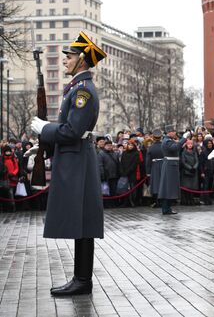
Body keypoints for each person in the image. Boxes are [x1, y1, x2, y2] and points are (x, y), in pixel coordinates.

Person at [30, 31, 105, 296]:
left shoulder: (82, 91)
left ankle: (82, 280)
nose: (65, 61)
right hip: (74, 159)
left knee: (83, 221)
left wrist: (45, 129)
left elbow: (72, 130)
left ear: (82, 60)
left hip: (78, 161)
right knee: (81, 221)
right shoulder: (76, 88)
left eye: (70, 56)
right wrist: (43, 145)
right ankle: (80, 278)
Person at [158, 125, 182, 215]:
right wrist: (183, 139)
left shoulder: (169, 140)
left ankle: (167, 208)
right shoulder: (167, 141)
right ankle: (165, 208)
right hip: (169, 166)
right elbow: (174, 148)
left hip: (171, 165)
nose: (174, 133)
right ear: (169, 132)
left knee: (170, 188)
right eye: (173, 131)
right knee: (167, 188)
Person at [98, 140, 120, 208]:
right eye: (108, 146)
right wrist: (102, 175)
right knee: (105, 191)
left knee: (113, 190)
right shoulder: (101, 154)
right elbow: (100, 165)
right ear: (105, 146)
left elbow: (118, 164)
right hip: (106, 176)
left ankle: (113, 204)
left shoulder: (114, 153)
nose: (109, 147)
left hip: (114, 175)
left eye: (110, 145)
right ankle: (106, 204)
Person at [146, 129, 164, 207]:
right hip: (163, 165)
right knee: (163, 183)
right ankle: (163, 201)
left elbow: (148, 161)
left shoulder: (151, 147)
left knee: (156, 184)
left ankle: (157, 201)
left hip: (155, 166)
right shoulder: (164, 145)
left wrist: (148, 172)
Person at [119, 139, 140, 207]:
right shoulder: (124, 153)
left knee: (132, 188)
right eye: (129, 145)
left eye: (132, 145)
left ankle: (132, 201)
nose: (130, 146)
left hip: (132, 174)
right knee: (124, 189)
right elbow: (121, 163)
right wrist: (122, 171)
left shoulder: (136, 153)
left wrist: (127, 171)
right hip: (124, 174)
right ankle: (125, 202)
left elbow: (134, 164)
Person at [180, 139, 199, 205]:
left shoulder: (194, 152)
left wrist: (194, 167)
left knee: (192, 187)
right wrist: (190, 168)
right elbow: (183, 162)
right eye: (189, 144)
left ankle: (191, 200)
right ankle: (186, 200)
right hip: (186, 171)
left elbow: (197, 161)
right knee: (186, 188)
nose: (190, 145)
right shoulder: (183, 152)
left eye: (191, 144)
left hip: (193, 171)